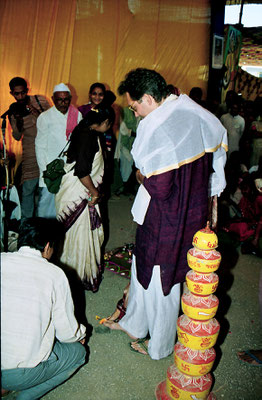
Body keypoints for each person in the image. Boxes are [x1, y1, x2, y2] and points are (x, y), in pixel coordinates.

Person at [104, 68, 227, 360]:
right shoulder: (187, 109)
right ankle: (134, 323)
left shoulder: (161, 127)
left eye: (135, 107)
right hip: (187, 210)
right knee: (142, 268)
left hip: (166, 217)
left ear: (148, 98)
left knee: (162, 278)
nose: (136, 115)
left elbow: (158, 187)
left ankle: (158, 345)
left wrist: (139, 175)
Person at [1, 218, 86, 399]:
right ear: (47, 247)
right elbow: (67, 333)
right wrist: (80, 335)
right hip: (16, 373)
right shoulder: (54, 274)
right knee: (78, 353)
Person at [55, 104, 115, 292]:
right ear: (104, 122)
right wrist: (95, 193)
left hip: (70, 190)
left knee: (73, 237)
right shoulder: (88, 137)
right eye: (110, 124)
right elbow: (82, 172)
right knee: (81, 236)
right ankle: (79, 277)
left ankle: (68, 276)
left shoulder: (83, 127)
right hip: (79, 193)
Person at [35, 83, 82, 219]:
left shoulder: (76, 115)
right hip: (50, 169)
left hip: (70, 167)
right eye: (59, 99)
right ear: (53, 99)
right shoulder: (45, 117)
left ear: (70, 98)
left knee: (68, 204)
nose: (63, 103)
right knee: (47, 207)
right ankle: (45, 236)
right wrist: (45, 171)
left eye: (66, 99)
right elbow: (39, 146)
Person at [8, 77, 50, 221]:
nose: (20, 97)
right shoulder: (13, 110)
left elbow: (52, 121)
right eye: (16, 94)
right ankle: (27, 224)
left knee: (48, 188)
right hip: (30, 151)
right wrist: (18, 122)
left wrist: (35, 111)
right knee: (28, 189)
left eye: (22, 93)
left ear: (27, 90)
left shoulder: (40, 101)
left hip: (47, 149)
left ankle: (46, 222)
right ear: (11, 93)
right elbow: (17, 136)